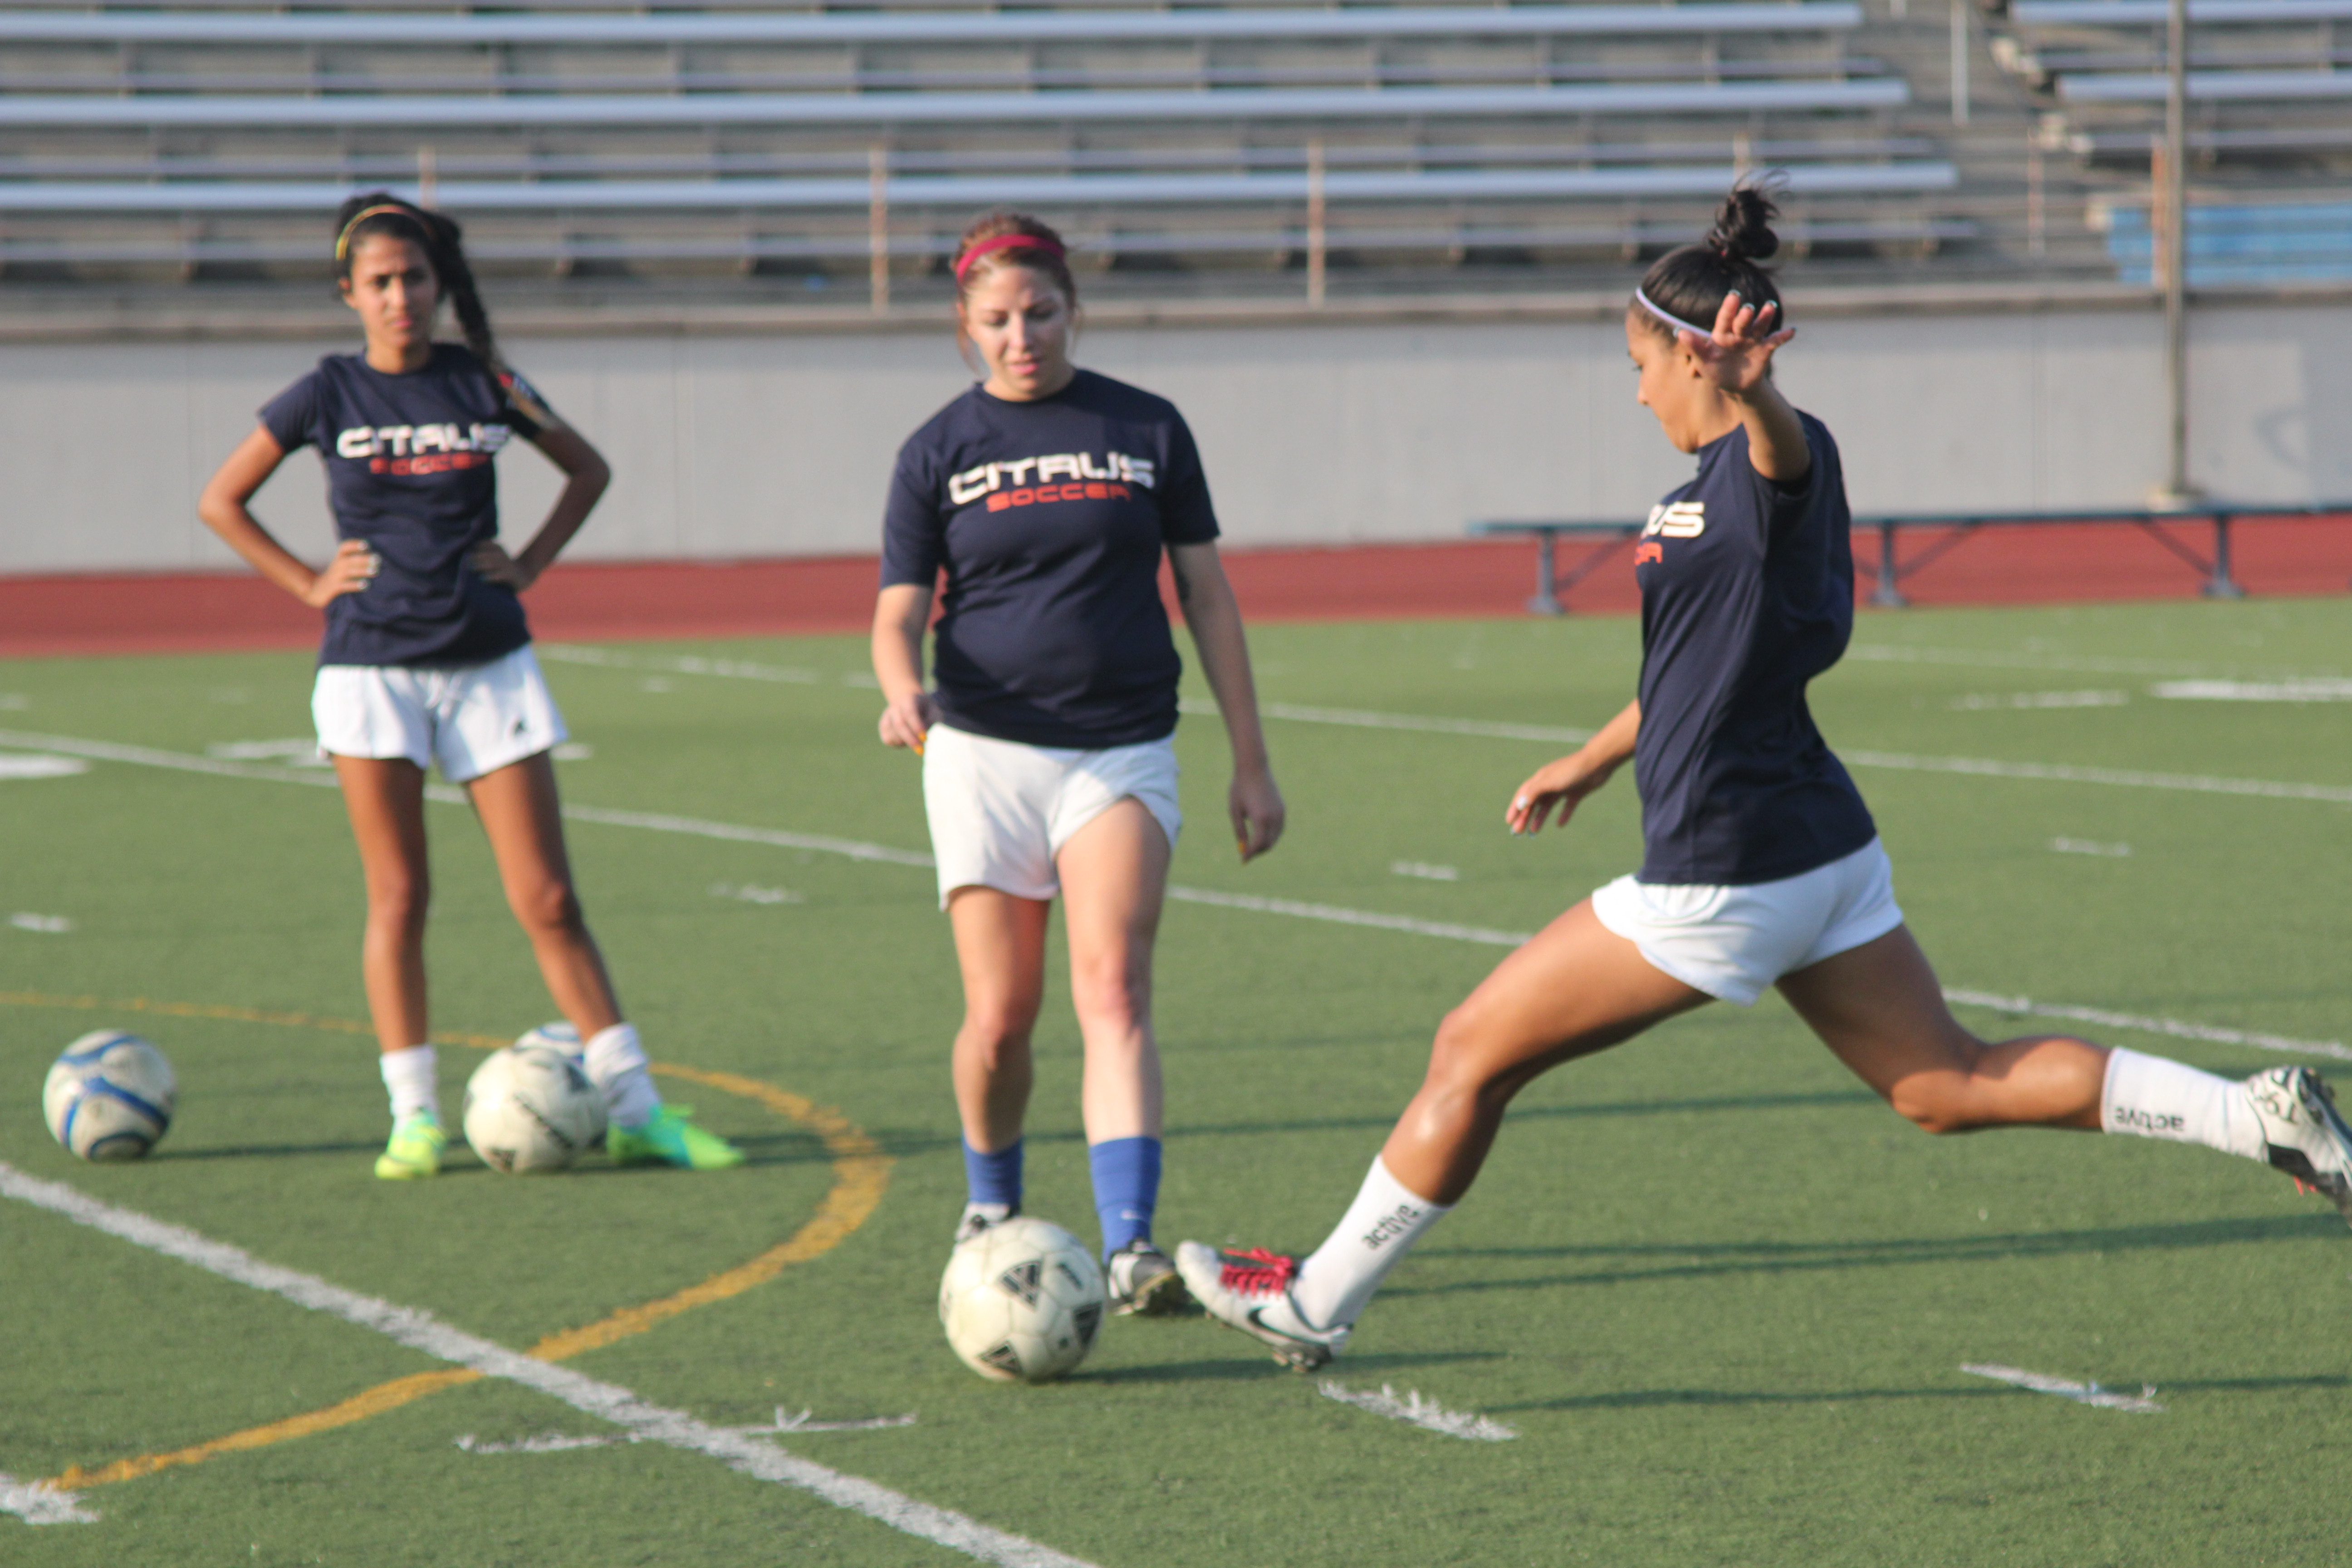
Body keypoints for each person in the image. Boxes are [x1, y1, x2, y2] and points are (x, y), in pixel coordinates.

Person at [1175, 185, 2352, 1368]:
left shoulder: (1765, 463)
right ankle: (2253, 1117)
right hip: (1818, 852)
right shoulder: (1698, 494)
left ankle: (1315, 1302)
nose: (1634, 389)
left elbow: (1783, 456)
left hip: (1726, 867)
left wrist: (1756, 391)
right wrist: (1591, 759)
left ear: (1696, 361)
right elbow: (1695, 670)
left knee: (1471, 1050)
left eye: (1641, 364)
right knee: (1946, 1082)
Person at [196, 192, 742, 1180]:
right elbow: (220, 500)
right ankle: (414, 1119)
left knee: (550, 899)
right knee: (400, 897)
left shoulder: (487, 381)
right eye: (380, 283)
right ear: (349, 293)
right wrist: (311, 583)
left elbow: (587, 469)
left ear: (440, 285)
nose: (400, 297)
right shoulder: (326, 392)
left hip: (491, 666)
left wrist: (527, 563)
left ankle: (638, 1112)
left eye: (414, 279)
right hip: (371, 671)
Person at [872, 210, 1285, 1315]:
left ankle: (1131, 1245)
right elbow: (896, 612)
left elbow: (1207, 596)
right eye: (999, 320)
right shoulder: (936, 451)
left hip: (1121, 749)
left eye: (1042, 313)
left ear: (1074, 312)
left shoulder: (1146, 427)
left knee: (1113, 985)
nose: (1024, 337)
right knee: (1003, 1017)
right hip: (982, 755)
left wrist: (1253, 761)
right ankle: (989, 1203)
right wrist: (899, 684)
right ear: (966, 328)